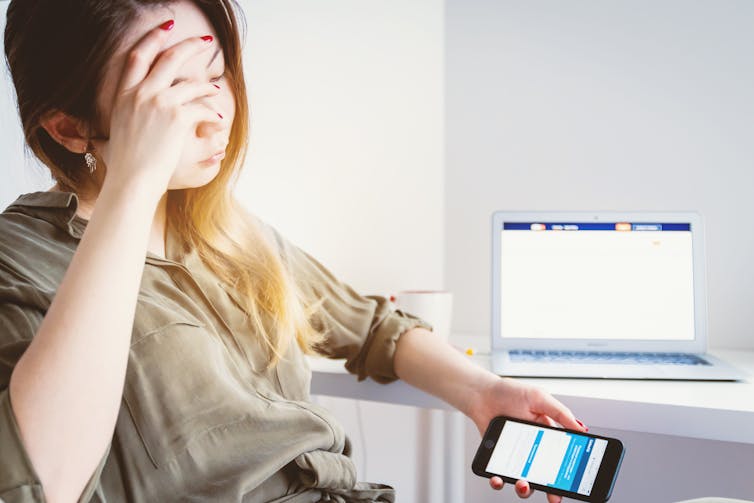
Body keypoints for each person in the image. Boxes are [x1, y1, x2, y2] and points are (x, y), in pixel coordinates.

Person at [0, 1, 587, 502]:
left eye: (216, 75)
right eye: (171, 94)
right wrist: (134, 181)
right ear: (69, 128)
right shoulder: (18, 257)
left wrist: (484, 392)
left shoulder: (222, 228)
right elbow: (42, 480)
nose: (216, 116)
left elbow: (373, 328)